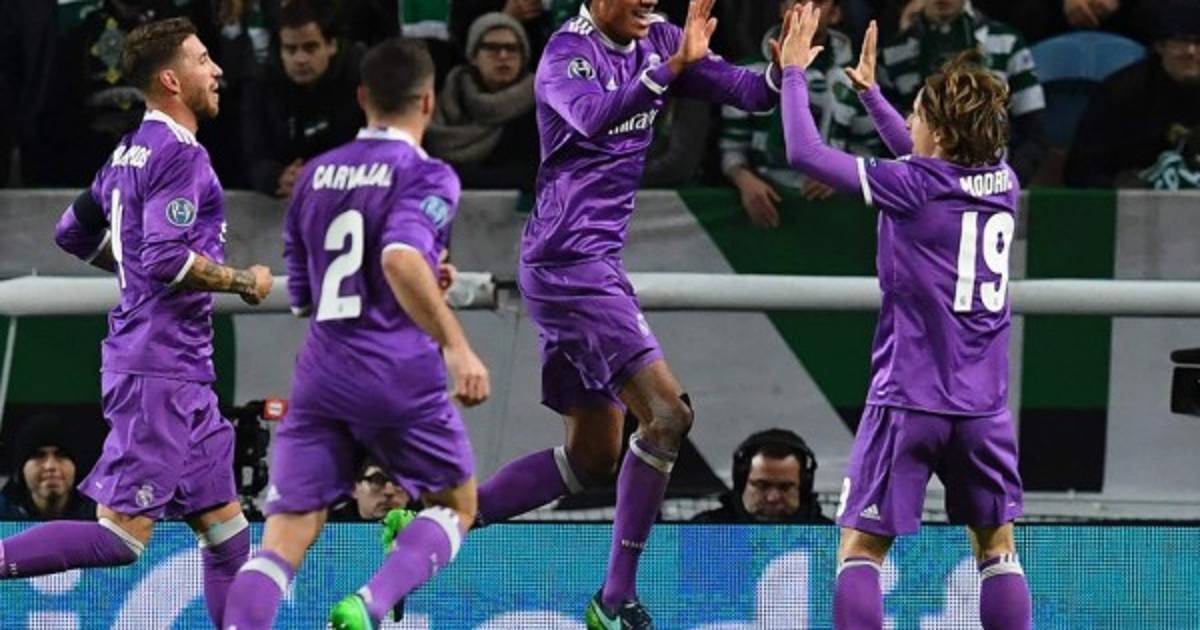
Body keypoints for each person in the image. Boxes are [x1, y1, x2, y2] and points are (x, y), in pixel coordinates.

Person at [467, 0, 781, 626]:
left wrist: (782, 70)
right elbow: (590, 117)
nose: (649, 1)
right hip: (568, 264)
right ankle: (614, 599)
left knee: (592, 458)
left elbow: (749, 93)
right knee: (667, 415)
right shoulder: (566, 52)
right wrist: (669, 70)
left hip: (592, 264)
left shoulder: (661, 38)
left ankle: (439, 521)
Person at [2, 17, 274, 630]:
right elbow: (167, 259)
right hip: (158, 370)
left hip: (182, 371)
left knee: (227, 533)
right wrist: (244, 281)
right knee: (121, 537)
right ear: (172, 80)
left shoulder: (129, 151)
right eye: (203, 60)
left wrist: (129, 265)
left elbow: (71, 232)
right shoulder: (180, 155)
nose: (218, 70)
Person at [220, 38, 490, 630]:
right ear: (429, 101)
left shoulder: (313, 175)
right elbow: (398, 257)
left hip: (323, 372)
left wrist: (418, 276)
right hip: (397, 371)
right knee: (456, 504)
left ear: (363, 97)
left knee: (284, 537)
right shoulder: (427, 174)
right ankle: (369, 605)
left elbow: (305, 299)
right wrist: (457, 345)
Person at [779, 7, 1029, 629]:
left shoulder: (912, 186)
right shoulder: (1003, 181)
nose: (909, 123)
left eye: (916, 114)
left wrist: (792, 73)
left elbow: (804, 152)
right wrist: (872, 97)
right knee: (996, 549)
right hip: (984, 408)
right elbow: (927, 161)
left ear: (939, 133)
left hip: (909, 398)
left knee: (862, 549)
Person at [721, 0, 878, 228]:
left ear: (835, 14)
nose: (806, 6)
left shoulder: (857, 78)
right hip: (764, 207)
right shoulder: (745, 74)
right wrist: (743, 180)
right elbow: (731, 150)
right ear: (782, 9)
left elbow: (870, 151)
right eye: (796, 0)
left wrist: (844, 173)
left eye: (818, 1)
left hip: (833, 217)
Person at [876, 0, 1047, 185]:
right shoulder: (892, 52)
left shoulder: (1007, 42)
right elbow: (880, 133)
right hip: (917, 182)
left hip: (992, 179)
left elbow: (1033, 128)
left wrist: (1010, 181)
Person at [1065, 0, 1200, 189]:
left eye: (1198, 42)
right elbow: (1080, 170)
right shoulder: (1121, 92)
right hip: (1132, 200)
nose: (1191, 51)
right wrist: (1125, 187)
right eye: (1180, 41)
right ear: (1160, 46)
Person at [240, 0, 365, 198]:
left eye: (310, 47)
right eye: (290, 49)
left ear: (331, 45)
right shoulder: (261, 86)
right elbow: (254, 158)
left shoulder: (360, 80)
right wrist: (278, 177)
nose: (300, 59)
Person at [425, 12, 539, 190]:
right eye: (492, 48)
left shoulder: (540, 109)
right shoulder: (450, 98)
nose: (503, 55)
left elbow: (532, 174)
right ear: (473, 56)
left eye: (512, 48)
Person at [691, 428, 832, 524]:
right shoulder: (702, 534)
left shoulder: (832, 541)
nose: (772, 498)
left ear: (804, 485)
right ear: (741, 481)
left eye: (785, 487)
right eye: (762, 486)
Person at [0, 414, 97, 521]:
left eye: (61, 455)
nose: (50, 466)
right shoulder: (3, 513)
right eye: (39, 455)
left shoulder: (99, 515)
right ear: (22, 469)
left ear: (75, 466)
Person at [328, 459, 418, 522]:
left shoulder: (422, 526)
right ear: (353, 488)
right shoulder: (330, 532)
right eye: (377, 480)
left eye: (399, 482)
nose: (389, 491)